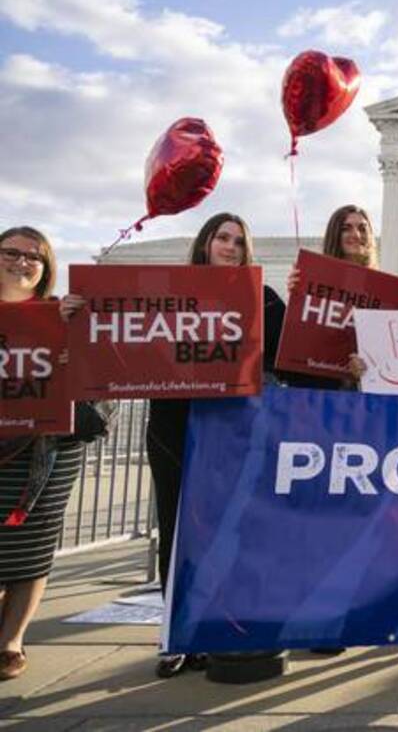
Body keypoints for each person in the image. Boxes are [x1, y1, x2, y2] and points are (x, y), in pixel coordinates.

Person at [65, 213, 285, 678]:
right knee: (177, 529)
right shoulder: (168, 294)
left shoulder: (262, 298)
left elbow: (292, 352)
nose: (230, 247)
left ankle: (221, 628)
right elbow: (115, 341)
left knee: (230, 532)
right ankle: (178, 635)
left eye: (239, 241)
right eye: (222, 238)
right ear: (205, 243)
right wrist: (69, 318)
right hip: (174, 425)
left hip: (234, 431)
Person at [0, 227, 109, 681]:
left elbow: (99, 381)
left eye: (34, 257)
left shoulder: (62, 315)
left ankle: (11, 640)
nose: (23, 263)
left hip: (47, 451)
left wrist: (71, 348)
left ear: (46, 268)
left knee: (31, 548)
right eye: (11, 253)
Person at [285, 205, 379, 390]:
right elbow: (303, 342)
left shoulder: (383, 290)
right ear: (335, 234)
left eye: (362, 228)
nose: (356, 235)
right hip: (320, 390)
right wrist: (296, 298)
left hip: (364, 393)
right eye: (346, 228)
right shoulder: (312, 280)